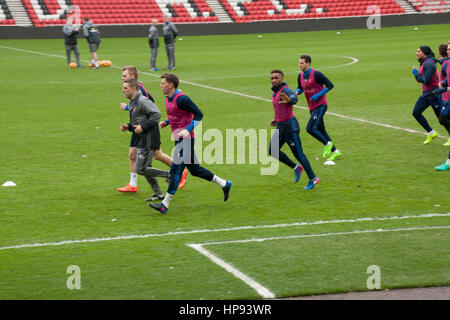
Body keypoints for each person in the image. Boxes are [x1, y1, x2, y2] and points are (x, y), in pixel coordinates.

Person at [148, 73, 232, 214]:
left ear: (171, 85)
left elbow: (199, 114)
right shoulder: (168, 98)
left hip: (186, 139)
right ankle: (224, 183)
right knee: (195, 169)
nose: (160, 85)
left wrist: (188, 130)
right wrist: (167, 122)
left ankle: (165, 204)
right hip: (178, 138)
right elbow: (178, 114)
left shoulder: (182, 99)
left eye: (163, 83)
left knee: (175, 170)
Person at [117, 66, 187, 199]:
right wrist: (129, 126)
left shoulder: (141, 96)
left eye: (125, 78)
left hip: (148, 134)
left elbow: (154, 112)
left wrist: (142, 126)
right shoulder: (133, 98)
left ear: (133, 82)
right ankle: (155, 191)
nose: (123, 81)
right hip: (141, 132)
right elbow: (139, 114)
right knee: (140, 160)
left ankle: (174, 173)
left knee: (147, 163)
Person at [120, 78, 170, 200]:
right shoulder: (132, 102)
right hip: (142, 138)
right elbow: (139, 121)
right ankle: (158, 193)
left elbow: (156, 114)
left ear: (134, 88)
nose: (123, 90)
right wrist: (129, 126)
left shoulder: (142, 101)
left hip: (149, 139)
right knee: (146, 167)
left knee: (140, 168)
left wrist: (143, 126)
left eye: (125, 88)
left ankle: (170, 174)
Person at [269, 69, 319, 190]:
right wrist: (276, 119)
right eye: (272, 78)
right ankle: (296, 167)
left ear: (282, 78)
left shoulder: (285, 89)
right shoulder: (275, 92)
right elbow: (280, 108)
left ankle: (313, 178)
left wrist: (290, 100)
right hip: (280, 126)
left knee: (299, 154)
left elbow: (293, 98)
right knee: (273, 150)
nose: (274, 80)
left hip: (290, 128)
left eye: (276, 78)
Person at [296, 55, 341, 161]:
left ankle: (327, 144)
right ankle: (335, 151)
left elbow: (330, 85)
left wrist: (318, 95)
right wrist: (297, 92)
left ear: (308, 63)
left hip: (320, 105)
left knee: (310, 128)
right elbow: (300, 87)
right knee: (321, 130)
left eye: (302, 63)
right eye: (299, 62)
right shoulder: (300, 76)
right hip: (311, 107)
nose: (300, 65)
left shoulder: (316, 74)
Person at [411, 46, 443, 144]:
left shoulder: (428, 63)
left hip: (433, 94)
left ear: (424, 53)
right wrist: (417, 76)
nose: (416, 53)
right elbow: (422, 79)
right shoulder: (424, 62)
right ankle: (431, 132)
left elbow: (426, 80)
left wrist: (416, 75)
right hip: (426, 94)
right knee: (416, 112)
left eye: (418, 51)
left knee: (442, 118)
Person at [437, 43, 450, 146]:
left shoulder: (446, 64)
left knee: (442, 119)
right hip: (445, 94)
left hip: (447, 96)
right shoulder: (446, 63)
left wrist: (443, 84)